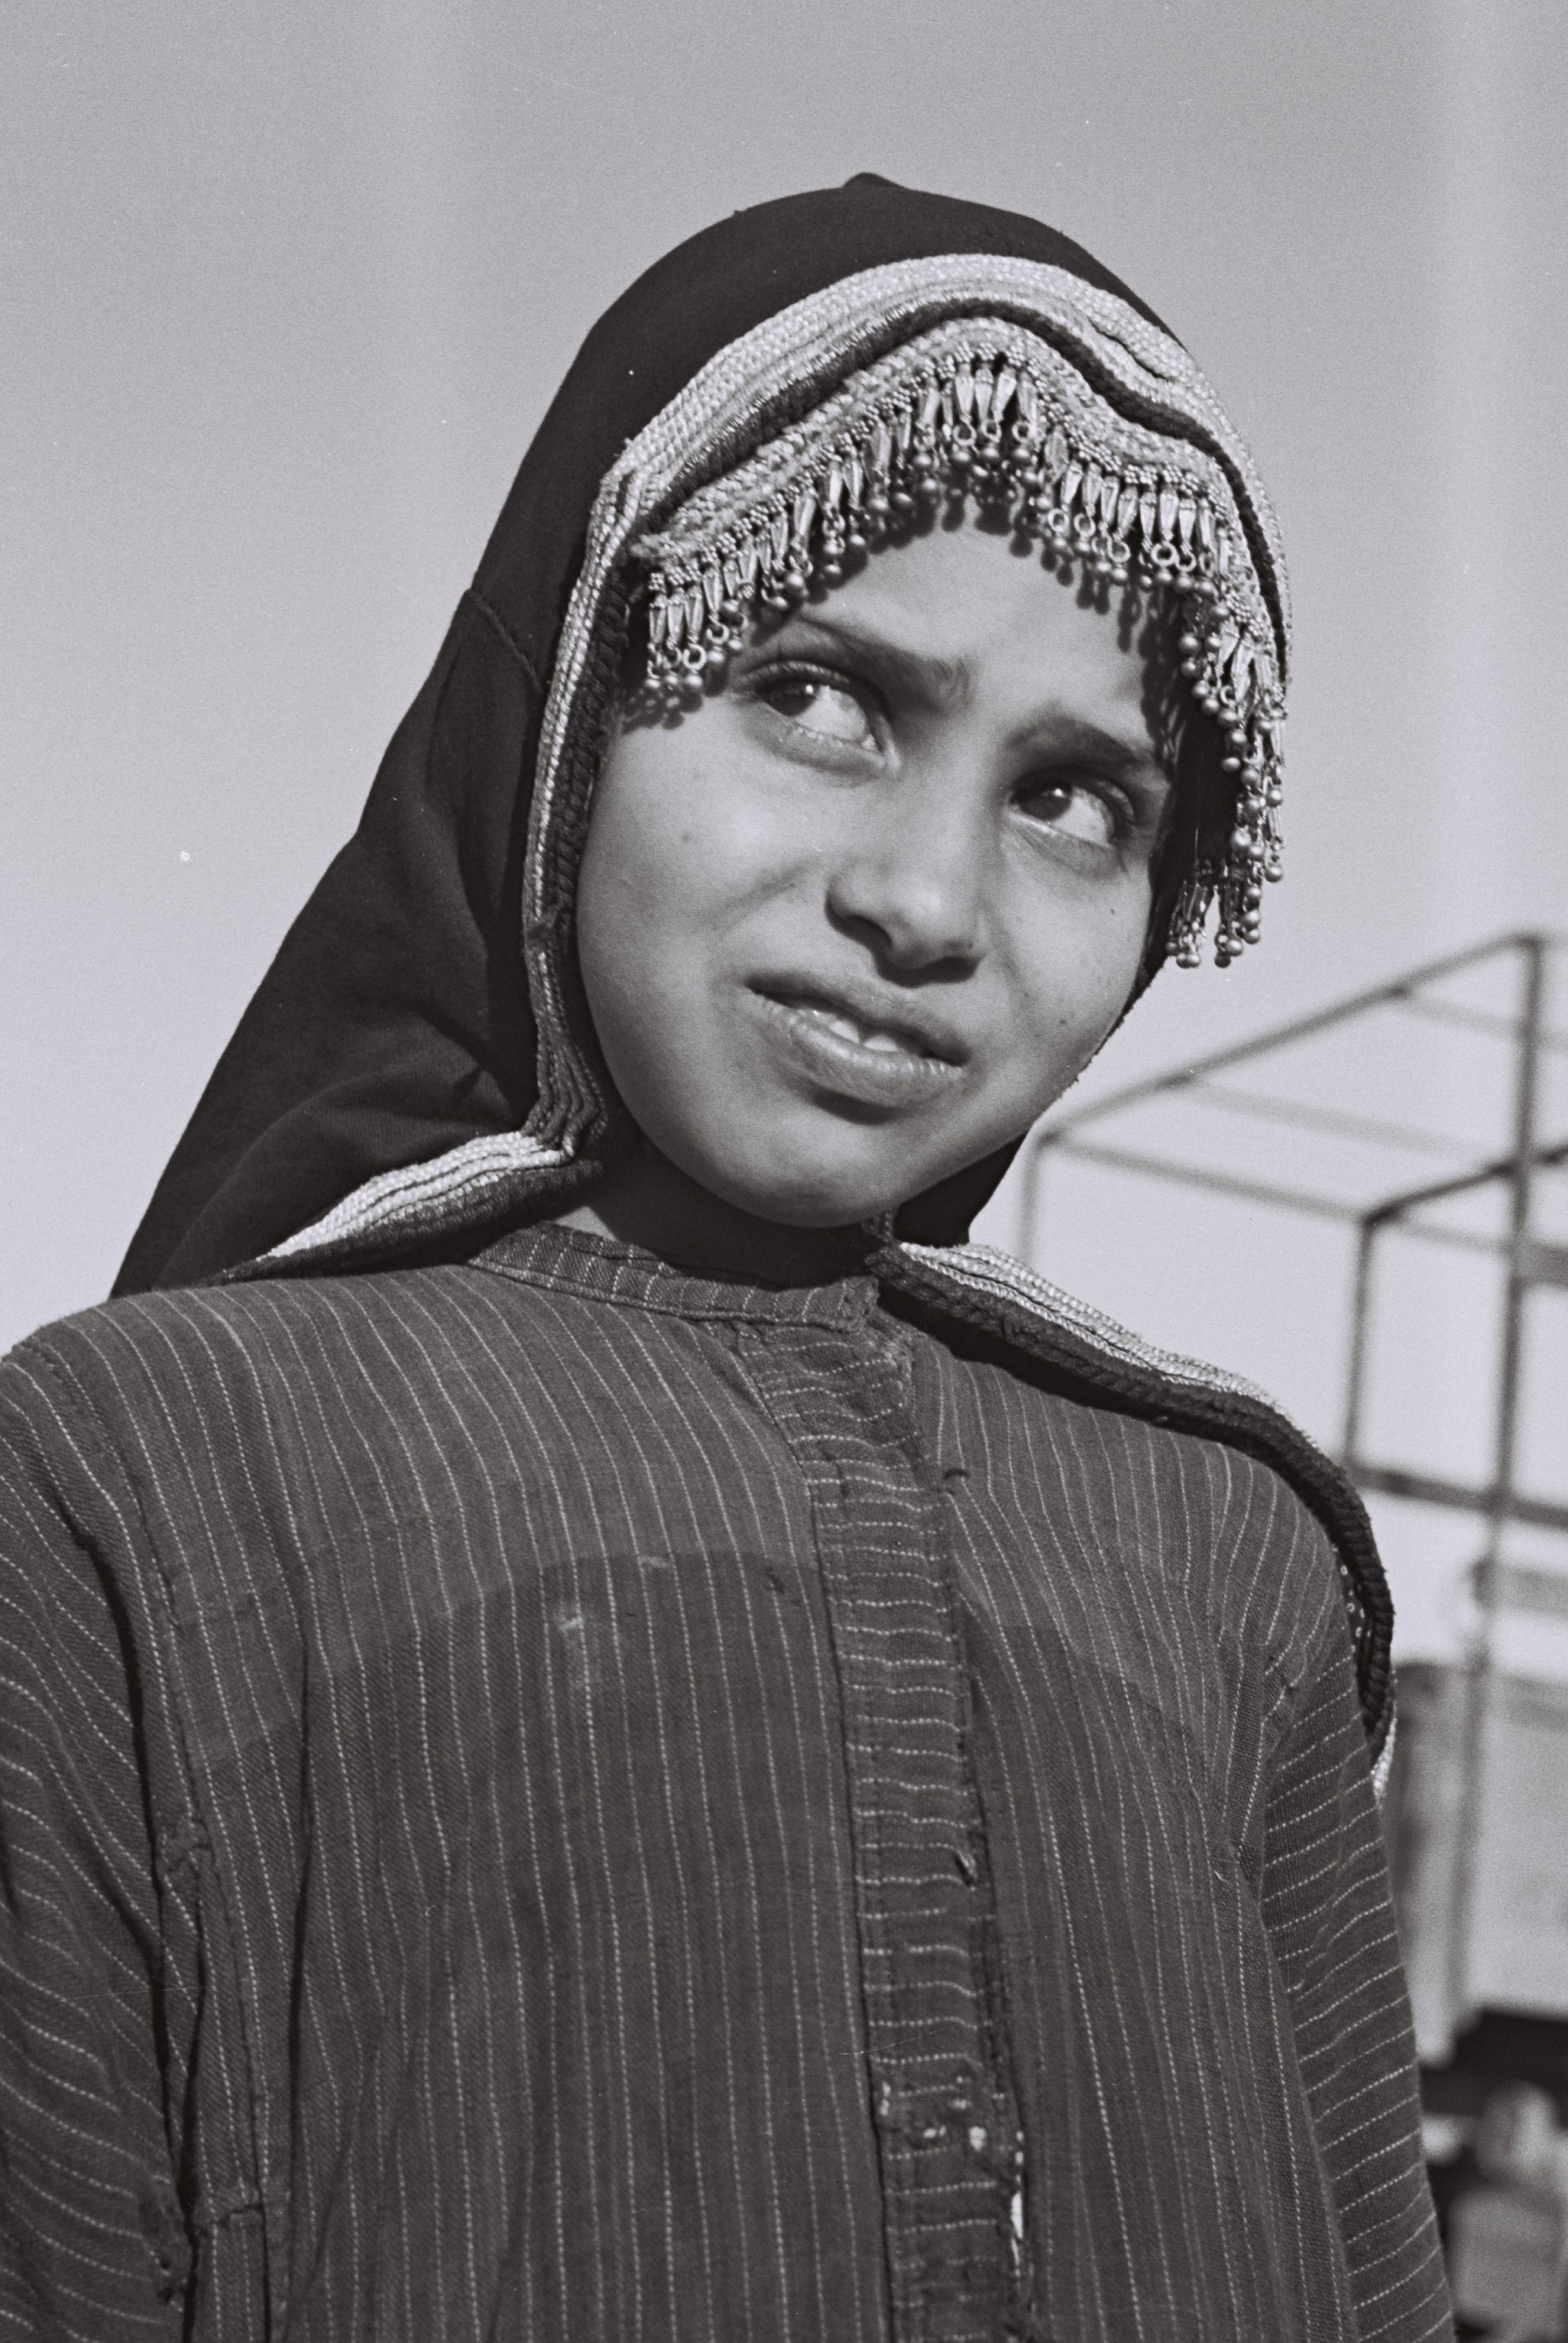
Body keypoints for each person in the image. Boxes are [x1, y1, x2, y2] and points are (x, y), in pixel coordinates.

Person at [0, 177, 1453, 2341]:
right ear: (568, 705)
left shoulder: (1222, 1551)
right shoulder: (140, 1469)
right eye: (820, 693)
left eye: (1075, 797)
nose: (926, 897)